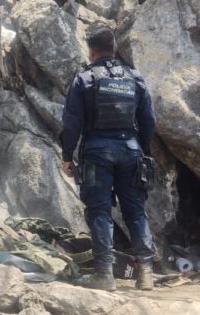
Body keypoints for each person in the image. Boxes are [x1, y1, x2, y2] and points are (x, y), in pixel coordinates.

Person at [60, 28, 156, 291]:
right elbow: (148, 120)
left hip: (96, 153)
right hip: (131, 150)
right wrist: (144, 151)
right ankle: (146, 273)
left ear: (91, 51)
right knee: (136, 212)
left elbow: (72, 123)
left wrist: (67, 156)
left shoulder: (85, 79)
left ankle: (104, 274)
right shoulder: (135, 78)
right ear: (114, 49)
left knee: (99, 211)